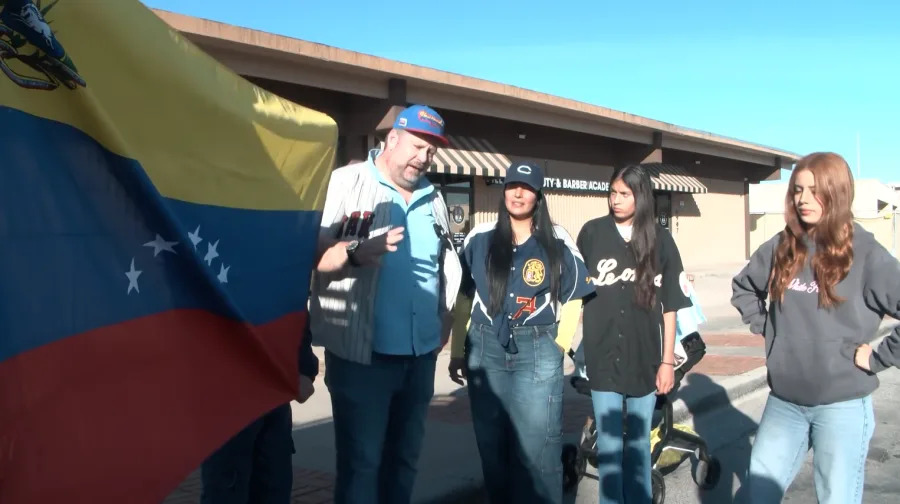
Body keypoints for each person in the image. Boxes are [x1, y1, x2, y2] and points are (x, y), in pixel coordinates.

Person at [309, 104, 462, 504]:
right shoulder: (347, 182)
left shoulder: (434, 197)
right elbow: (312, 254)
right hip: (363, 358)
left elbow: (444, 263)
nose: (423, 157)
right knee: (361, 467)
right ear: (392, 139)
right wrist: (357, 250)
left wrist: (443, 317)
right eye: (417, 146)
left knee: (404, 462)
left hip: (419, 357)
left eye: (430, 151)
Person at [731, 152, 900, 504]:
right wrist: (769, 328)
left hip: (842, 407)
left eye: (814, 190)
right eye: (798, 190)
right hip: (784, 403)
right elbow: (744, 287)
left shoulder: (866, 252)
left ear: (837, 193)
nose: (803, 199)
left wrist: (881, 357)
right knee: (757, 496)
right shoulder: (782, 245)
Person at [447, 161, 594, 503]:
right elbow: (464, 296)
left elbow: (576, 294)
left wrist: (560, 342)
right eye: (512, 185)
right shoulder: (479, 237)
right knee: (492, 445)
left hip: (539, 346)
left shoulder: (557, 239)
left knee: (540, 447)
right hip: (485, 347)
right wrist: (457, 350)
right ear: (504, 190)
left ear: (538, 196)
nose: (518, 193)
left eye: (526, 187)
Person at [575, 163, 692, 503]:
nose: (616, 199)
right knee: (609, 448)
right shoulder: (593, 233)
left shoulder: (661, 239)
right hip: (602, 355)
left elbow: (671, 306)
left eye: (624, 194)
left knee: (639, 444)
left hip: (646, 358)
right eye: (613, 192)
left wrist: (667, 362)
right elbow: (572, 294)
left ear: (641, 197)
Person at [200, 326, 318, 503]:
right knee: (226, 491)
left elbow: (292, 302)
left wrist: (303, 365)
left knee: (274, 488)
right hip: (225, 391)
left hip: (274, 393)